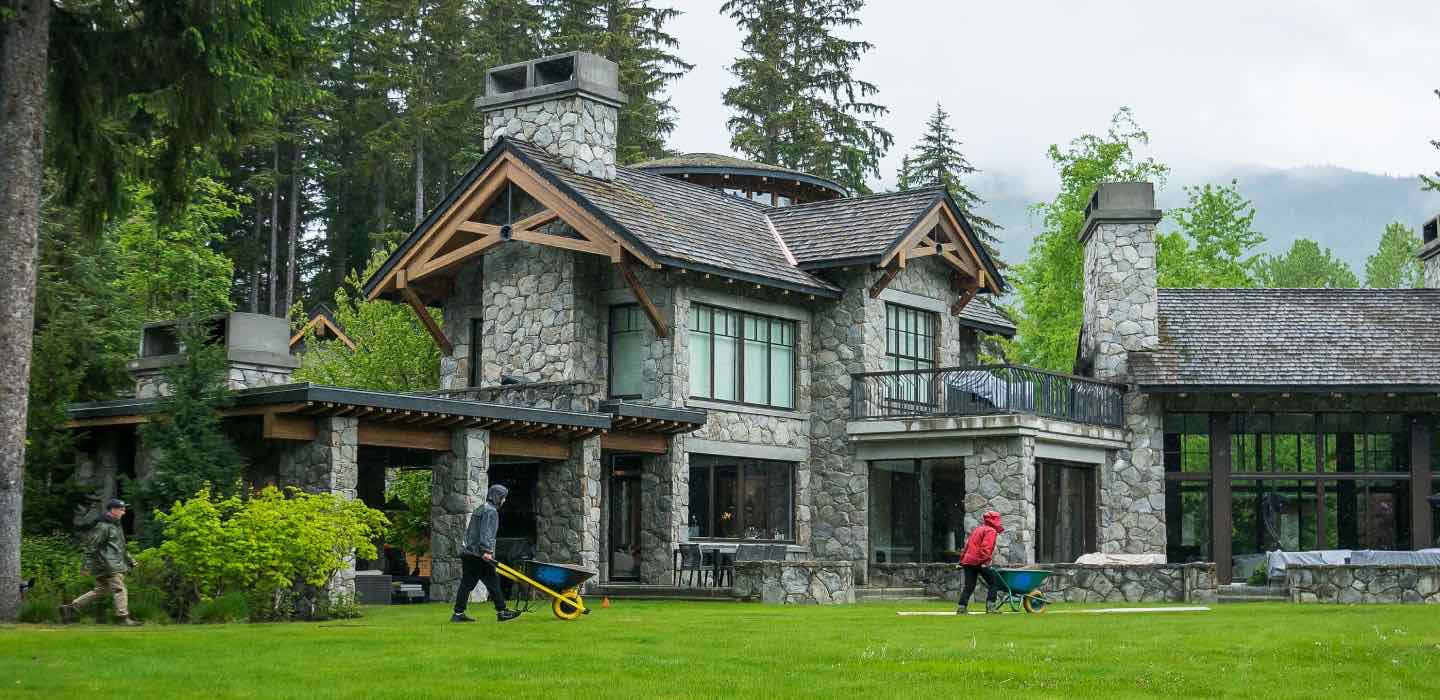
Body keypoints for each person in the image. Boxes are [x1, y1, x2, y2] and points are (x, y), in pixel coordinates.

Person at [62, 498, 142, 626]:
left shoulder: (115, 525)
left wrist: (131, 560)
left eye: (124, 509)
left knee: (100, 590)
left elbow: (121, 547)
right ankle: (123, 618)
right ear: (113, 510)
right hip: (109, 565)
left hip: (111, 564)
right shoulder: (103, 527)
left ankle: (71, 608)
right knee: (120, 589)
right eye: (121, 509)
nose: (124, 512)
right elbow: (91, 547)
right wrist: (85, 567)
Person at [452, 484, 520, 623]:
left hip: (469, 552)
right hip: (479, 555)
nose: (504, 500)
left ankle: (458, 614)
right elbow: (486, 533)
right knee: (493, 581)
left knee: (467, 583)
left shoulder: (480, 508)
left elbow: (471, 532)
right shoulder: (491, 511)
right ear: (498, 497)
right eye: (503, 497)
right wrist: (487, 551)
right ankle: (502, 611)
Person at [956, 510, 1005, 615]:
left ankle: (961, 608)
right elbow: (986, 548)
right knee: (993, 582)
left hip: (968, 561)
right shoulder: (990, 531)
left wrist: (961, 561)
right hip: (979, 561)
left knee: (969, 586)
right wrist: (985, 561)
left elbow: (967, 546)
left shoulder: (978, 529)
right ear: (995, 520)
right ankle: (991, 608)